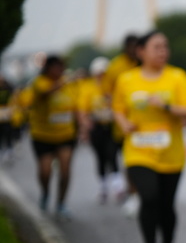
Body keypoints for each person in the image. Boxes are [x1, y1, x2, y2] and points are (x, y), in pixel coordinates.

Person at [112, 31, 186, 243]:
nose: (163, 51)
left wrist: (166, 106)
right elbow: (118, 108)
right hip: (138, 152)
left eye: (165, 47)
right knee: (149, 197)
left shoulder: (177, 77)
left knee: (167, 205)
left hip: (171, 153)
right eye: (157, 47)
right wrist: (123, 123)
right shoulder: (127, 79)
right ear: (141, 52)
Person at [27, 54, 84, 218]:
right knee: (46, 172)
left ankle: (61, 203)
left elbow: (75, 107)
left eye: (62, 67)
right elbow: (44, 93)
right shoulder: (40, 82)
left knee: (65, 170)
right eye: (56, 67)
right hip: (43, 135)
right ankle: (45, 192)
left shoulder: (69, 85)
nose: (60, 71)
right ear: (48, 68)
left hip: (65, 135)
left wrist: (83, 126)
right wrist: (64, 82)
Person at [104, 33, 141, 212]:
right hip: (125, 126)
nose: (134, 51)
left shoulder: (144, 64)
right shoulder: (115, 67)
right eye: (131, 47)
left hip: (148, 126)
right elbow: (107, 94)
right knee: (131, 162)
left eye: (137, 47)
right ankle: (133, 194)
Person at [78, 56, 121, 202]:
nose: (102, 76)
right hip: (96, 127)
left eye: (104, 73)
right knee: (100, 157)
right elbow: (82, 110)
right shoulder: (88, 88)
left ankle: (118, 186)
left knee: (112, 154)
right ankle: (103, 186)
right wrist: (85, 126)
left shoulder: (113, 87)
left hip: (111, 126)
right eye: (99, 73)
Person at [0, 73, 14, 163]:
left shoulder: (8, 88)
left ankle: (9, 150)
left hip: (7, 112)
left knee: (8, 131)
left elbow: (14, 95)